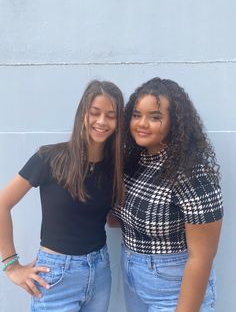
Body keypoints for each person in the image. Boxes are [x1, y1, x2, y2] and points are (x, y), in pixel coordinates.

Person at [0, 80, 124, 312]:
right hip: (56, 276)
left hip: (100, 271)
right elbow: (2, 204)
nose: (101, 121)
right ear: (82, 114)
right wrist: (11, 266)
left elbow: (108, 217)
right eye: (95, 113)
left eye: (111, 115)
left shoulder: (114, 166)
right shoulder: (49, 158)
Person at [110, 77, 223, 312]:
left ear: (176, 123)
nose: (142, 123)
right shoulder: (135, 163)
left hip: (174, 292)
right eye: (137, 115)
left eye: (155, 117)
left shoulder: (192, 175)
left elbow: (201, 259)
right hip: (135, 283)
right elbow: (117, 219)